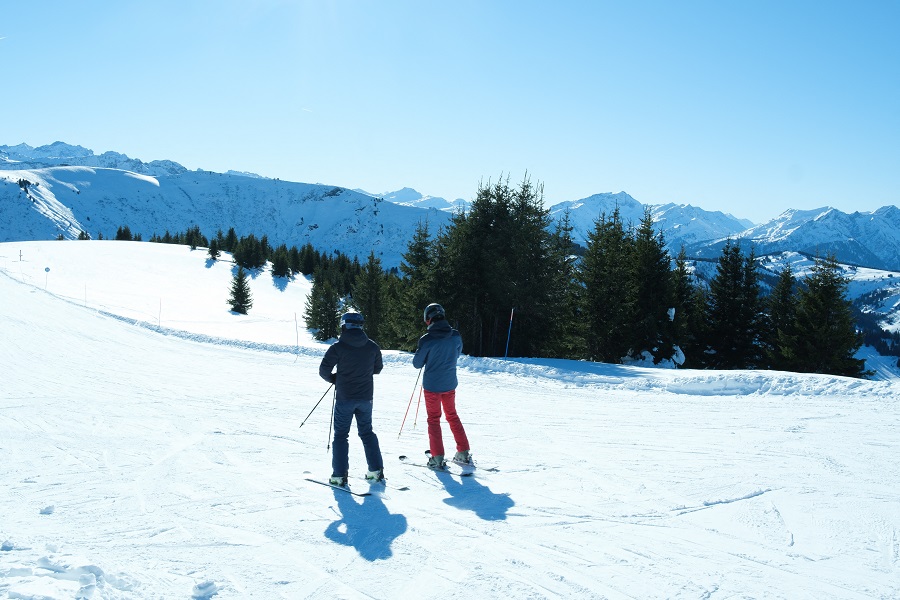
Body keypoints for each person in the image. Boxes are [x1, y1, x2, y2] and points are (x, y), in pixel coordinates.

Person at [319, 311, 385, 486]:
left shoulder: (337, 347)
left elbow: (323, 370)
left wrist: (335, 379)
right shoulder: (372, 346)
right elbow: (377, 368)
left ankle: (339, 476)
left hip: (344, 398)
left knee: (341, 436)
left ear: (344, 326)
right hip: (365, 398)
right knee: (367, 432)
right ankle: (376, 471)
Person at [412, 303, 472, 469]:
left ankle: (437, 457)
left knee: (433, 419)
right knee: (452, 415)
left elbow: (417, 364)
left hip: (432, 386)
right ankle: (463, 452)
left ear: (428, 319)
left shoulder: (427, 339)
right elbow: (457, 353)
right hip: (450, 383)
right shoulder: (455, 335)